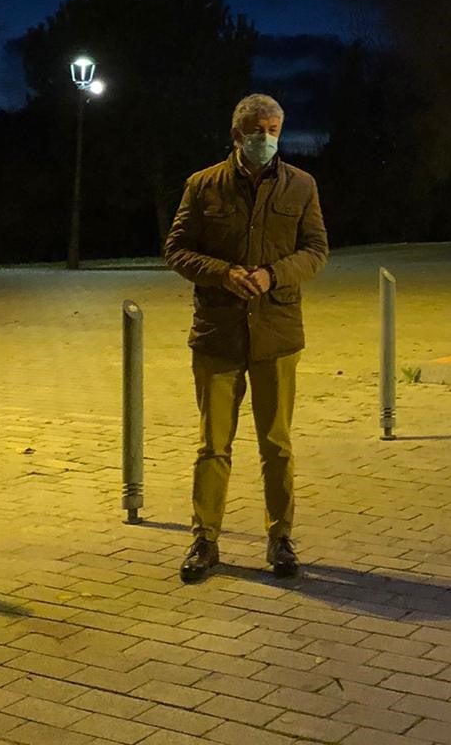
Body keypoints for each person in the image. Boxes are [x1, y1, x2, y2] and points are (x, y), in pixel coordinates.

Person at [164, 93, 328, 583]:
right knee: (213, 444)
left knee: (276, 443)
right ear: (237, 135)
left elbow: (316, 249)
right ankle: (205, 539)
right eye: (258, 131)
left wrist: (274, 275)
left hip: (276, 334)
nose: (267, 139)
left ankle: (280, 538)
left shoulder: (301, 185)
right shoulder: (203, 185)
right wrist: (222, 273)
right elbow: (176, 248)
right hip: (218, 334)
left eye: (275, 130)